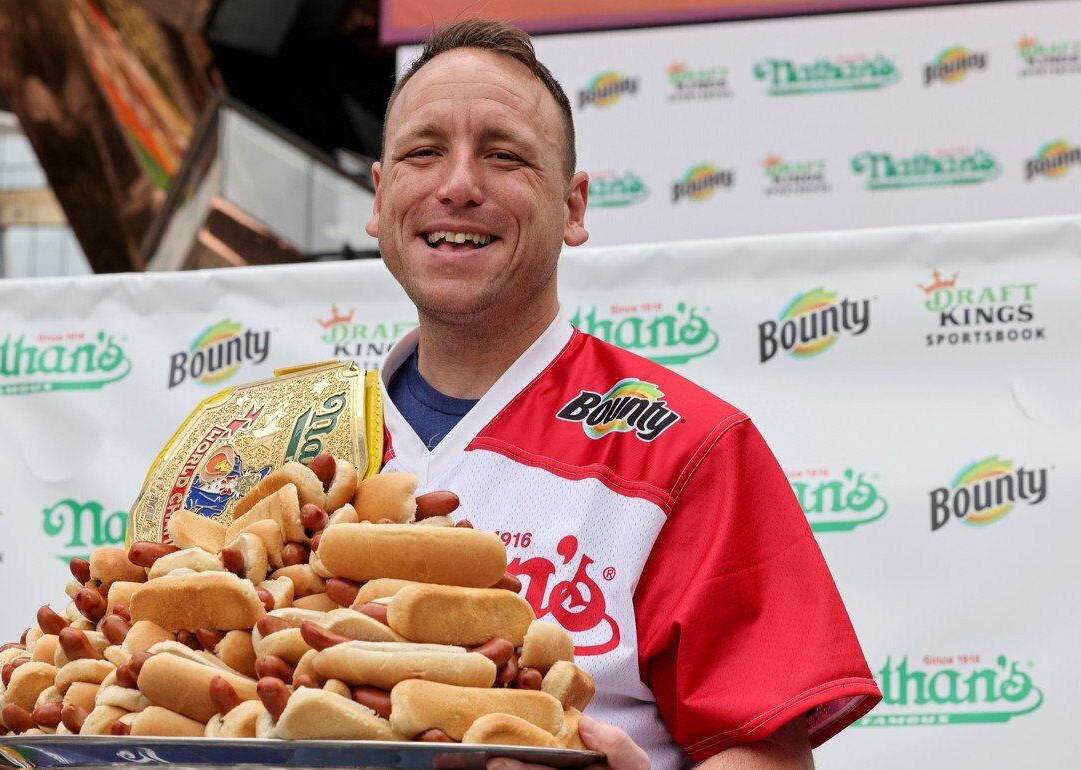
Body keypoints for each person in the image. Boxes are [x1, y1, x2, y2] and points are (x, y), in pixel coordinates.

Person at [365, 19, 881, 770]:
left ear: (574, 208)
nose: (458, 185)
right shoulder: (292, 445)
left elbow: (769, 755)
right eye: (423, 152)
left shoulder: (690, 446)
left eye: (504, 155)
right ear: (381, 198)